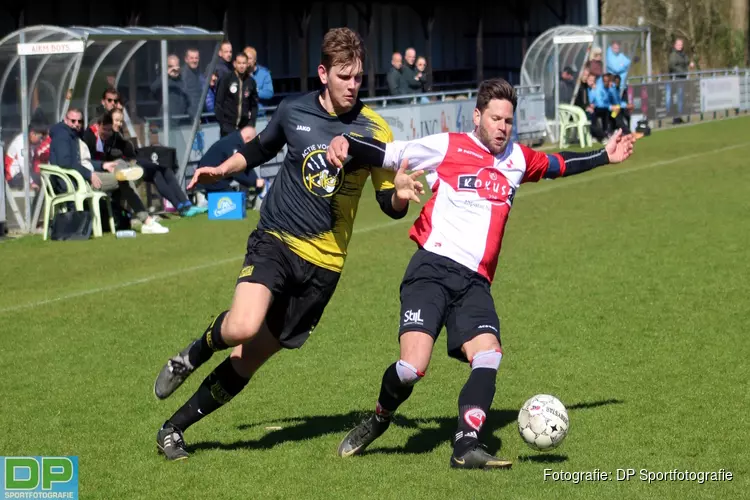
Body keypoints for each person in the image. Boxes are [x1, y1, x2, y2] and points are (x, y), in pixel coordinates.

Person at [326, 78, 636, 469]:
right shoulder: (449, 146)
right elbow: (390, 153)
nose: (502, 127)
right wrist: (348, 143)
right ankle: (379, 418)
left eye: (508, 120)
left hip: (474, 282)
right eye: (495, 119)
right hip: (432, 270)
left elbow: (560, 164)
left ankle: (466, 446)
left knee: (488, 355)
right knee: (412, 368)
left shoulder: (518, 159)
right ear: (478, 116)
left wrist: (604, 155)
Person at [151, 27, 421, 461]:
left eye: (358, 77)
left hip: (324, 268)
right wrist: (222, 170)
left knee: (247, 359)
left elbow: (387, 203)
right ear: (323, 74)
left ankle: (173, 429)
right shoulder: (293, 110)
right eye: (345, 76)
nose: (353, 85)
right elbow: (260, 149)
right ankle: (189, 356)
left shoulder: (375, 129)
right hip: (276, 239)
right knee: (241, 325)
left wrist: (400, 195)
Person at [191, 125, 265, 201]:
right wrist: (254, 182)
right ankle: (204, 197)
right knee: (234, 204)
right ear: (248, 139)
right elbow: (237, 171)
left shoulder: (234, 140)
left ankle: (205, 197)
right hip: (212, 181)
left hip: (214, 179)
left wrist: (255, 179)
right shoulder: (233, 146)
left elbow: (245, 164)